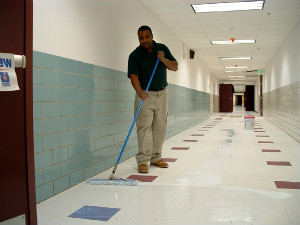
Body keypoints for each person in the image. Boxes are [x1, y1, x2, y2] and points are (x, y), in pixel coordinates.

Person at [127, 25, 178, 173]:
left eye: (147, 37)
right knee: (144, 128)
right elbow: (133, 76)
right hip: (145, 94)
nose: (144, 40)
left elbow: (174, 67)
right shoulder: (135, 55)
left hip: (162, 94)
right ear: (138, 39)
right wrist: (140, 91)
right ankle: (143, 160)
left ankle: (156, 158)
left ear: (152, 36)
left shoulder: (162, 49)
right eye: (141, 38)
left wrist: (163, 59)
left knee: (160, 127)